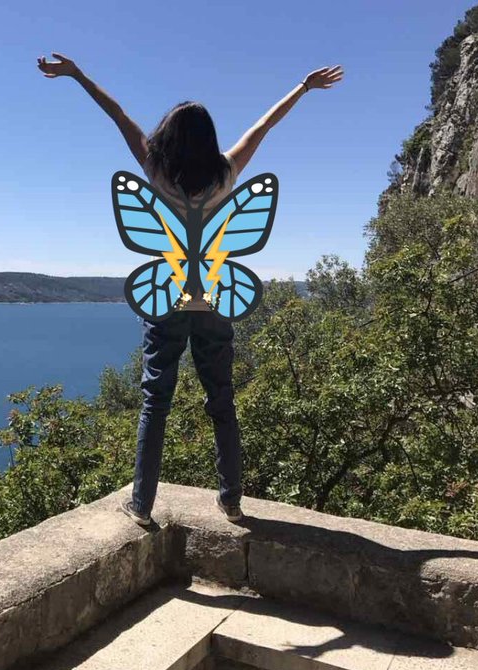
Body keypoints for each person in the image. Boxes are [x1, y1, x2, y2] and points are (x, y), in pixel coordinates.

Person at [37, 52, 344, 526]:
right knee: (221, 399)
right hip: (215, 298)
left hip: (168, 297)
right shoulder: (227, 173)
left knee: (155, 401)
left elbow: (118, 115)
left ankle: (141, 505)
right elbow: (263, 127)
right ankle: (231, 500)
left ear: (170, 137)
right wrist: (302, 88)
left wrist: (78, 75)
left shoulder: (155, 171)